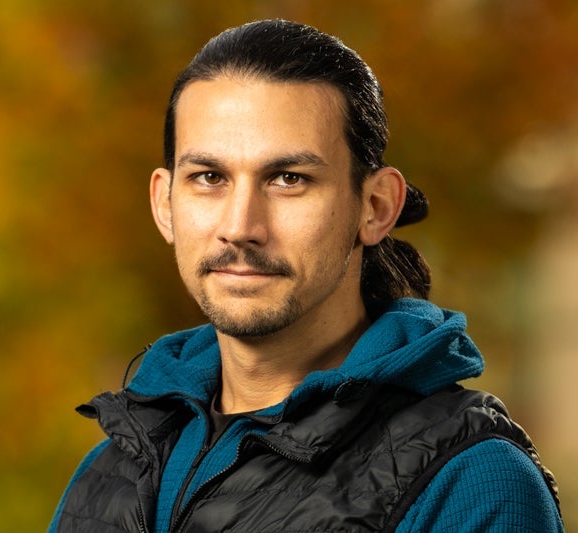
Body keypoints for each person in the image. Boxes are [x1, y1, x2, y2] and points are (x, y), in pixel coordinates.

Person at [48, 19, 562, 532]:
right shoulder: (106, 475)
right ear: (164, 204)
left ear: (376, 207)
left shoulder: (470, 483)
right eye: (209, 177)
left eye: (288, 179)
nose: (240, 227)